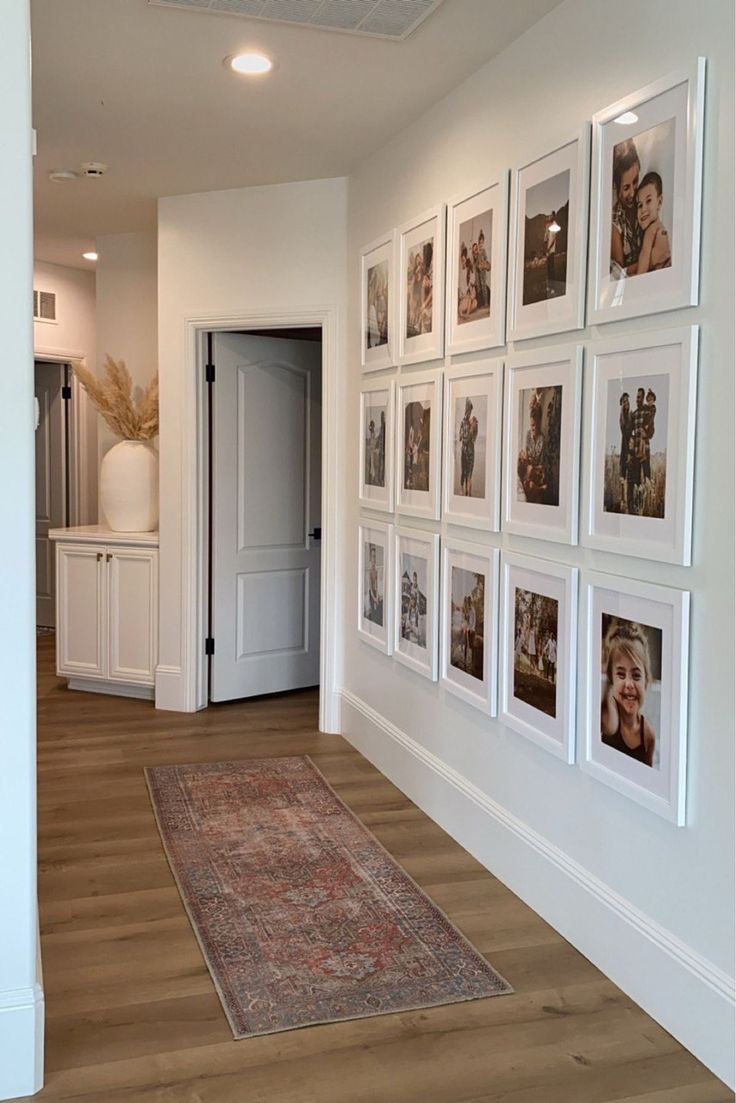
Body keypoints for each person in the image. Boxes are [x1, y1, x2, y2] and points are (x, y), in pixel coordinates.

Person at [601, 620, 656, 766]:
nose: (629, 684)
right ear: (611, 680)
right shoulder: (609, 722)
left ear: (646, 681)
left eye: (636, 675)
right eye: (620, 674)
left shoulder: (648, 735)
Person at [610, 138, 642, 277]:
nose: (632, 193)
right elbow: (618, 276)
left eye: (635, 181)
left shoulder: (644, 202)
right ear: (616, 187)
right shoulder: (614, 220)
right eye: (626, 187)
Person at [634, 172, 672, 274]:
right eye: (640, 205)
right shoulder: (660, 228)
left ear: (659, 202)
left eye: (648, 201)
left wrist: (636, 279)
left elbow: (644, 258)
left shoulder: (652, 230)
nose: (643, 209)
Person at [626, 387, 654, 513]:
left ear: (643, 399)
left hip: (645, 450)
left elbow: (652, 431)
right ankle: (637, 506)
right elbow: (629, 432)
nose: (638, 399)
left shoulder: (647, 412)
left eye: (640, 397)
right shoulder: (635, 414)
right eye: (636, 397)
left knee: (646, 475)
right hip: (635, 451)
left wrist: (646, 433)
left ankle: (648, 504)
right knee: (636, 479)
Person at [518, 400, 549, 504]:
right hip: (529, 468)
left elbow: (542, 464)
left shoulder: (542, 439)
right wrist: (526, 458)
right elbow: (527, 454)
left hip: (538, 470)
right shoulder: (528, 434)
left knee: (530, 481)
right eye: (531, 425)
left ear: (539, 423)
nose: (533, 428)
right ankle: (540, 488)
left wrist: (532, 464)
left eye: (535, 425)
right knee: (529, 480)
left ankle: (536, 487)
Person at [458, 398, 479, 496]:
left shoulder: (473, 422)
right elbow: (460, 437)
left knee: (469, 474)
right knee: (464, 472)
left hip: (470, 451)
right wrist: (468, 431)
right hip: (465, 450)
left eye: (470, 410)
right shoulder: (463, 422)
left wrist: (473, 428)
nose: (469, 412)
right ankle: (463, 490)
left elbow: (474, 438)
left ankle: (468, 494)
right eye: (468, 410)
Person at [474, 229, 491, 310]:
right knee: (479, 287)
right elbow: (476, 261)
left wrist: (483, 264)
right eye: (479, 243)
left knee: (484, 286)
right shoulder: (477, 252)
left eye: (482, 243)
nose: (481, 244)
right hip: (478, 272)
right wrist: (478, 265)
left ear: (483, 242)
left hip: (483, 272)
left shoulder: (483, 251)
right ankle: (480, 303)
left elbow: (486, 260)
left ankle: (486, 302)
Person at [544, 213, 558, 295]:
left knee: (552, 269)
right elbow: (546, 239)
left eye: (551, 216)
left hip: (551, 251)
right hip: (548, 251)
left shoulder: (555, 225)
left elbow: (554, 239)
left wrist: (549, 248)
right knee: (548, 269)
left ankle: (553, 288)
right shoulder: (548, 226)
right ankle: (549, 286)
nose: (549, 217)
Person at [367, 545, 380, 624]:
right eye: (372, 557)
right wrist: (374, 598)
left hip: (375, 592)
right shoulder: (370, 572)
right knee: (374, 610)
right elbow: (371, 589)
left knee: (378, 608)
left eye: (375, 557)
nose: (374, 559)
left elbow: (377, 585)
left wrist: (377, 595)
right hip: (371, 593)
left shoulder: (376, 571)